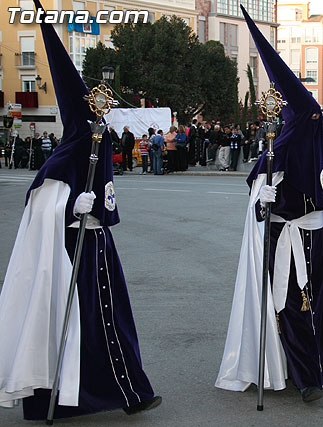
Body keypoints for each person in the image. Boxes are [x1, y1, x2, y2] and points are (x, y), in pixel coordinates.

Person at [0, 5, 161, 417]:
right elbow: (38, 211)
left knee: (106, 321)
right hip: (69, 253)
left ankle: (126, 392)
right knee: (80, 322)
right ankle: (100, 396)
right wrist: (69, 207)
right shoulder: (66, 156)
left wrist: (90, 211)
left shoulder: (96, 147)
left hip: (98, 247)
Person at [216, 6, 323, 403]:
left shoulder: (317, 154)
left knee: (315, 304)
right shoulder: (275, 153)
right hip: (284, 238)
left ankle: (314, 365)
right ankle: (306, 377)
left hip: (316, 239)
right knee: (289, 306)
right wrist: (262, 198)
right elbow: (258, 207)